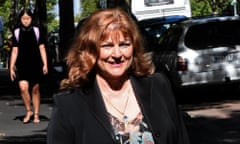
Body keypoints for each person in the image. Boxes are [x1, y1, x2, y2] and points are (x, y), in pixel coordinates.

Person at [47, 7, 190, 144]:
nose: (117, 54)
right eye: (107, 46)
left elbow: (181, 138)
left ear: (134, 48)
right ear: (90, 51)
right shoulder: (69, 105)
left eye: (124, 44)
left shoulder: (159, 87)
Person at [9, 9, 48, 124]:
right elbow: (14, 51)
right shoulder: (16, 32)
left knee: (35, 89)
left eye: (28, 18)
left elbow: (42, 48)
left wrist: (45, 64)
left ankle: (36, 114)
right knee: (23, 87)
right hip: (21, 64)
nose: (26, 21)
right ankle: (28, 111)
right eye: (23, 19)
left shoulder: (37, 31)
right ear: (20, 19)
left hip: (35, 64)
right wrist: (11, 67)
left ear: (31, 19)